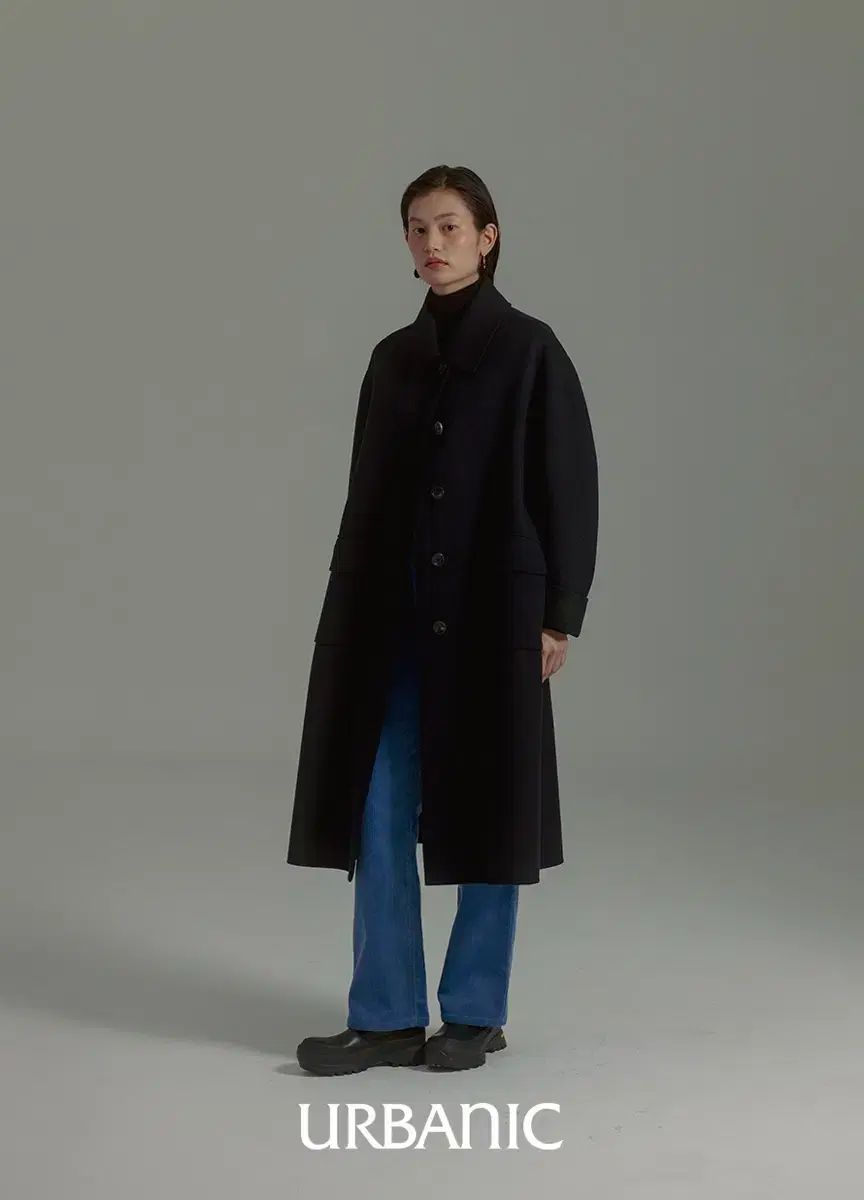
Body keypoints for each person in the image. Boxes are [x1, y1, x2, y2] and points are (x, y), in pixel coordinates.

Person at [291, 165, 599, 1075]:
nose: (433, 243)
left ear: (488, 237)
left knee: (492, 805)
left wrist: (559, 615)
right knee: (378, 805)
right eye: (419, 229)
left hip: (492, 616)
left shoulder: (531, 350)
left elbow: (568, 488)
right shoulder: (392, 359)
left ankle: (473, 1012)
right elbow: (365, 496)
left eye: (451, 226)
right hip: (391, 620)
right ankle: (385, 1016)